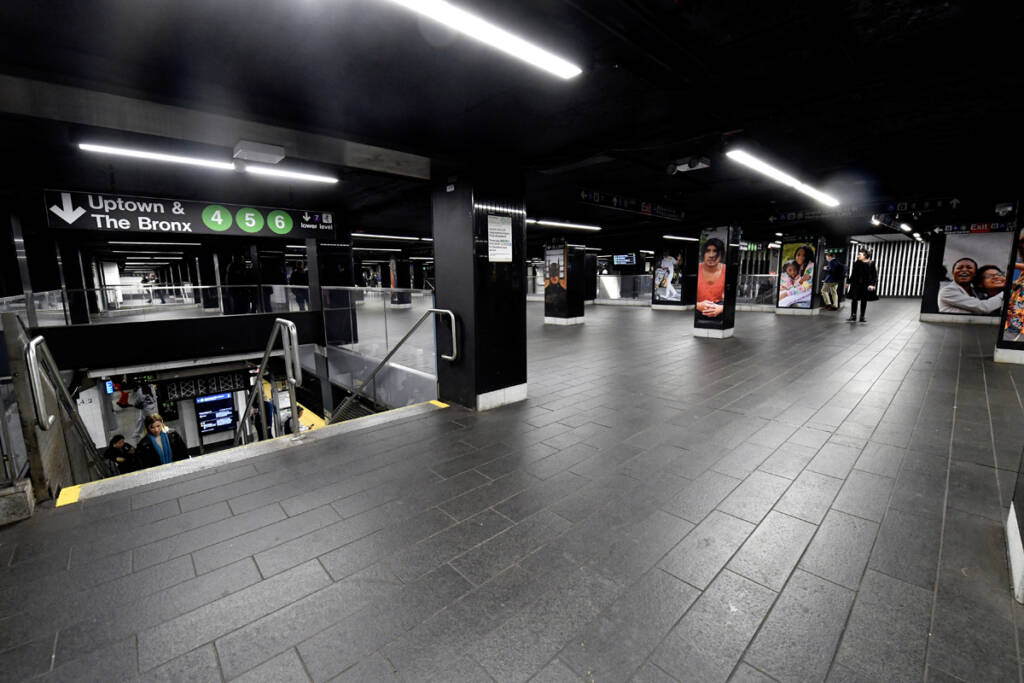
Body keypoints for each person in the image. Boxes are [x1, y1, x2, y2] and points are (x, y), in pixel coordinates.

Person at [937, 257, 1003, 315]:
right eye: (959, 268)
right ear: (953, 273)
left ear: (975, 273)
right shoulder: (948, 291)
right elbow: (984, 307)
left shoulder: (976, 292)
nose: (964, 270)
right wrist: (1008, 292)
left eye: (969, 267)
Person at [696, 238, 726, 318]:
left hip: (719, 309)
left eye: (715, 251)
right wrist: (698, 305)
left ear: (721, 254)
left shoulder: (726, 270)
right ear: (703, 253)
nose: (711, 255)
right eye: (708, 251)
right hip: (697, 310)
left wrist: (722, 308)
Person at [846, 249, 878, 322]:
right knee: (854, 299)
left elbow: (874, 275)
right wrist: (848, 282)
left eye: (859, 254)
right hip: (855, 284)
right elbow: (853, 273)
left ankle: (862, 316)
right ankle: (853, 315)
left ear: (865, 255)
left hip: (866, 285)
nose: (858, 256)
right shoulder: (857, 262)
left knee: (864, 300)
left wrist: (872, 284)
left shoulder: (871, 263)